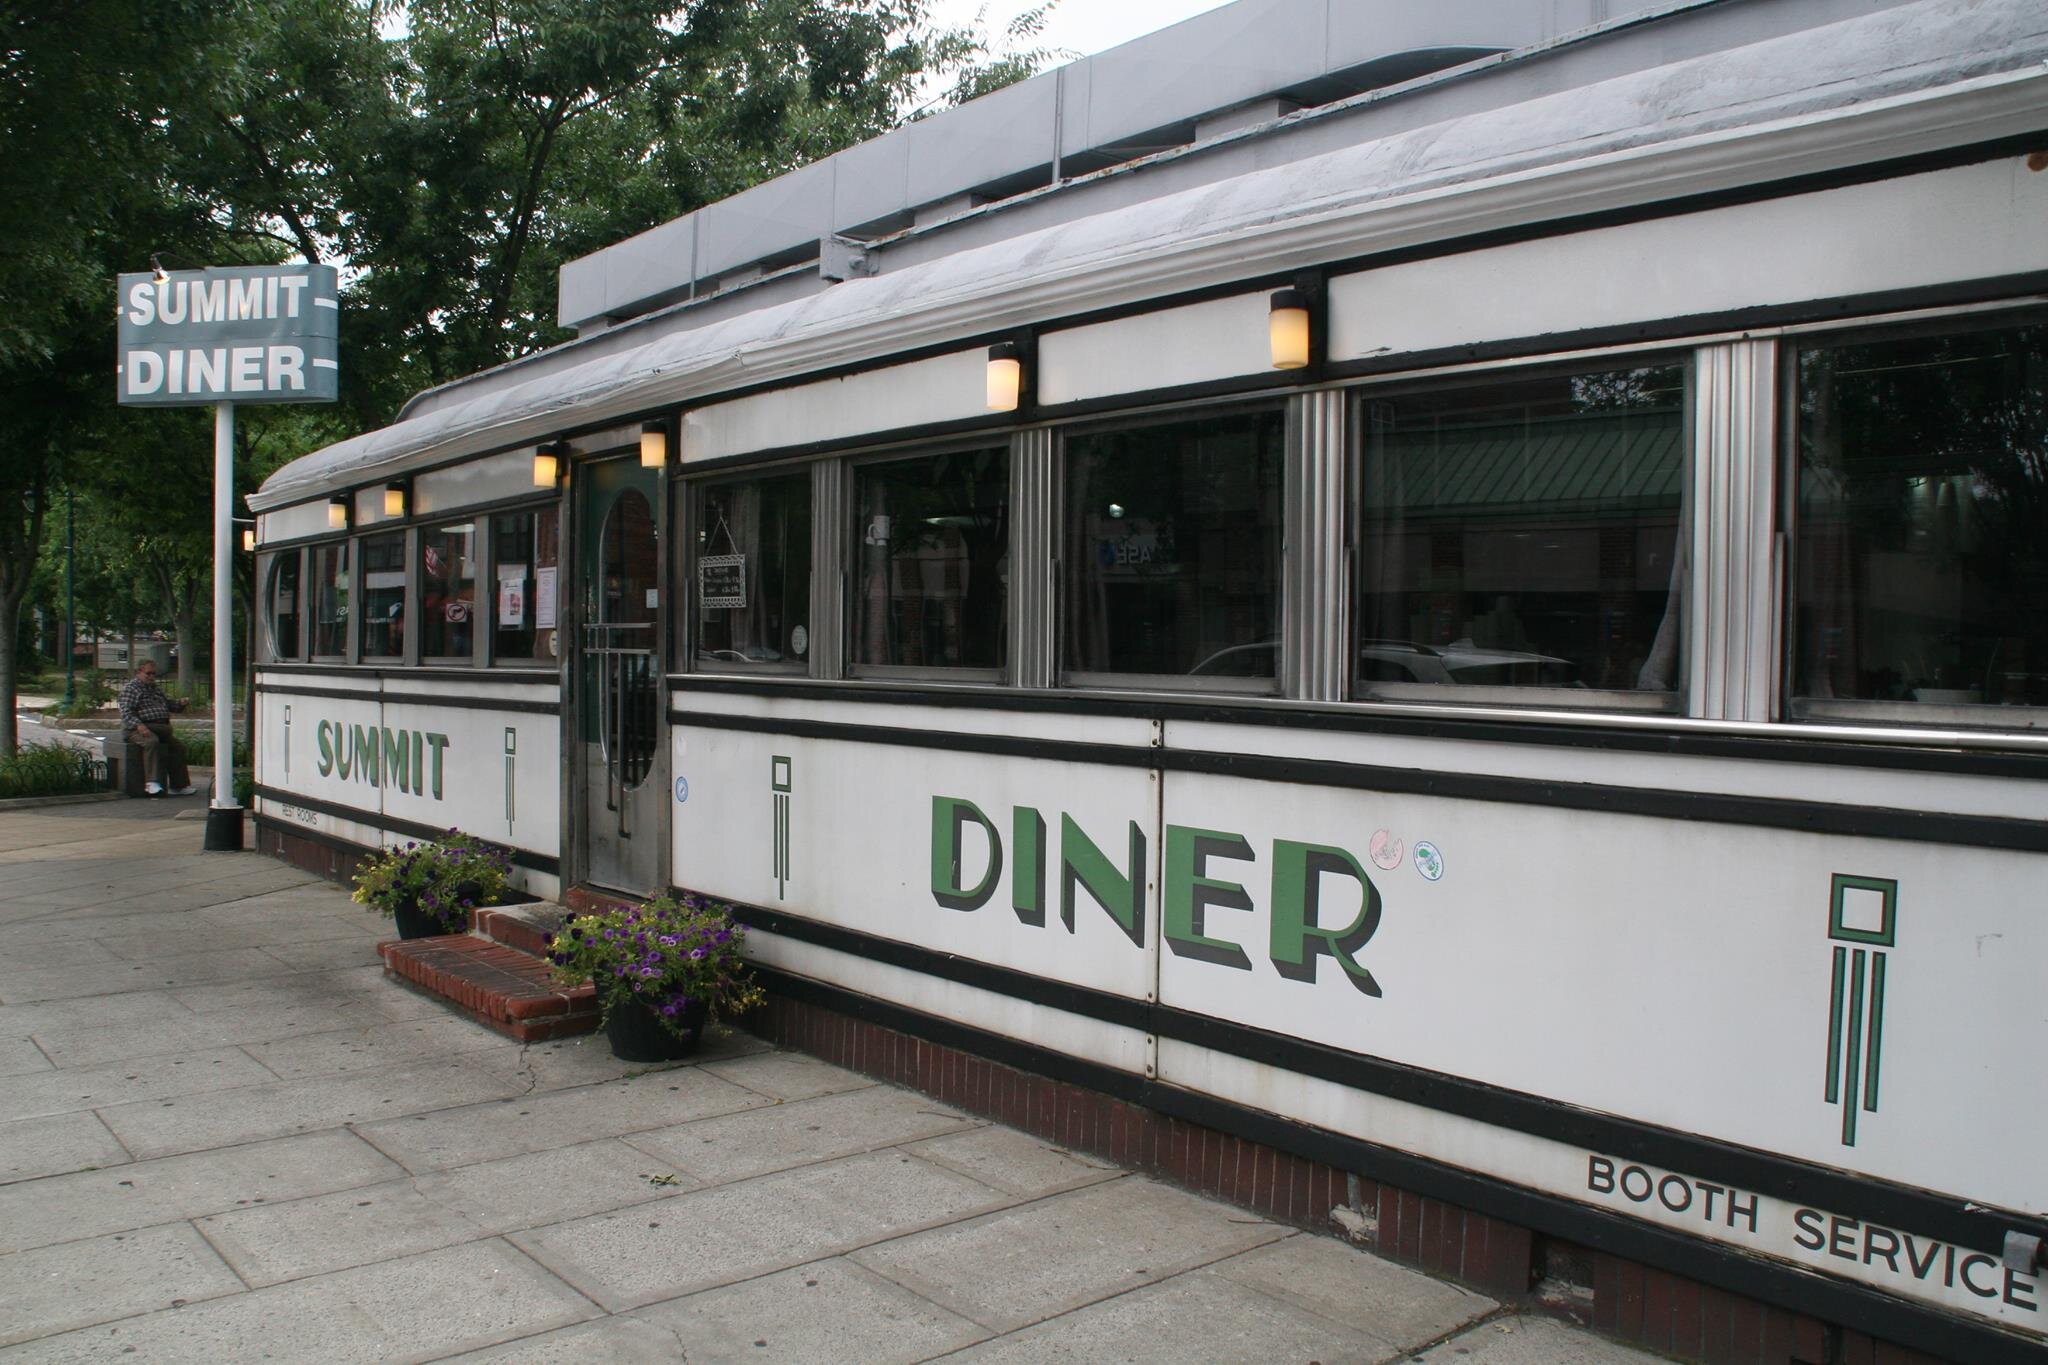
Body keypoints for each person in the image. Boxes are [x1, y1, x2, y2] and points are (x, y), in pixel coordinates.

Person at [117, 659, 194, 796]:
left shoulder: (156, 689)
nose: (152, 677)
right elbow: (126, 712)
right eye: (149, 673)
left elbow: (169, 705)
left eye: (154, 674)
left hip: (160, 727)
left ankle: (179, 785)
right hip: (138, 728)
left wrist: (181, 703)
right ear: (138, 672)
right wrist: (138, 725)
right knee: (151, 742)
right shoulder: (131, 689)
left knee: (178, 748)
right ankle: (152, 782)